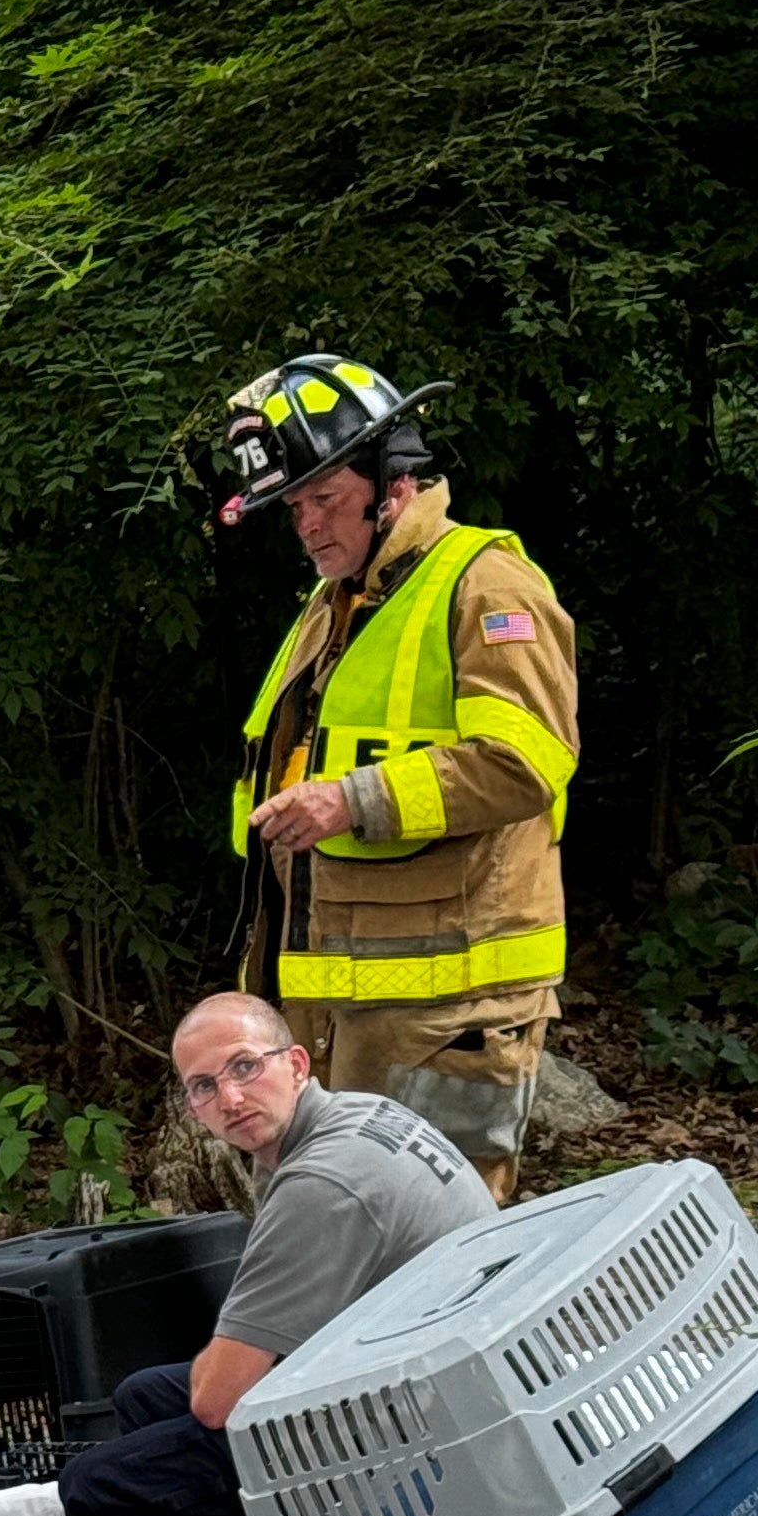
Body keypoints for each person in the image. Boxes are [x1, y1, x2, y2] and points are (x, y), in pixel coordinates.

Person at [221, 352, 579, 1198]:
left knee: (441, 1246)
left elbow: (525, 761)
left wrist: (354, 800)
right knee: (346, 1244)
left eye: (325, 499)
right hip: (336, 1004)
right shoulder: (336, 603)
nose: (308, 525)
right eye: (294, 508)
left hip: (449, 1008)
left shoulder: (482, 580)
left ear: (392, 482)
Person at [56, 993, 498, 1516]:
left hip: (417, 1426)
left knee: (92, 1489)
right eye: (204, 1086)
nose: (230, 1099)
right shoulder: (357, 1112)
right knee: (142, 1394)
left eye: (244, 1066)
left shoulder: (321, 1185)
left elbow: (216, 1404)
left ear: (294, 1064)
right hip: (423, 1360)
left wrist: (224, 1368)